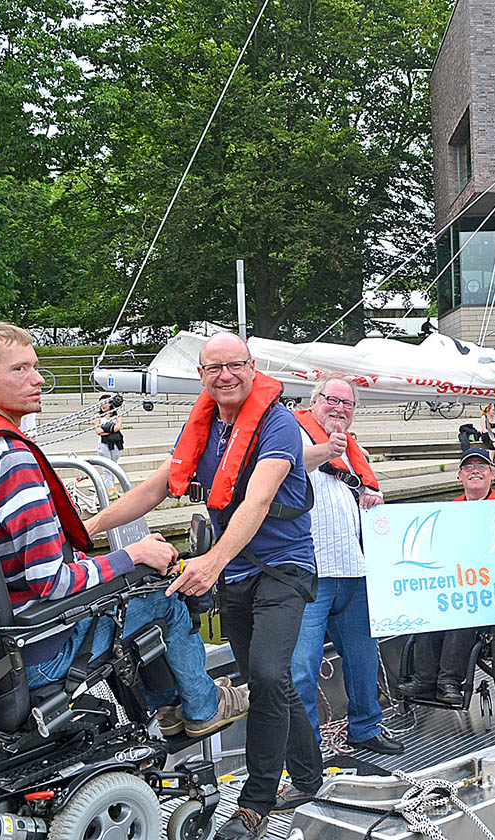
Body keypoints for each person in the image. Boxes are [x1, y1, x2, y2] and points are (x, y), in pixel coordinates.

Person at [0, 322, 243, 743]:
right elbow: (50, 582)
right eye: (21, 369)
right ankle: (202, 708)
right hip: (41, 648)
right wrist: (133, 555)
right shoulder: (13, 461)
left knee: (130, 588)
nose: (38, 379)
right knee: (161, 595)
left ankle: (168, 710)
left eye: (36, 367)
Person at [82, 332, 321, 840]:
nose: (226, 376)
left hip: (283, 569)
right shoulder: (206, 426)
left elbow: (256, 501)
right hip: (237, 573)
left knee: (266, 673)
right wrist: (88, 530)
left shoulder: (278, 424)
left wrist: (211, 560)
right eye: (214, 368)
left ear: (252, 367)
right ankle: (309, 775)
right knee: (268, 680)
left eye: (235, 365)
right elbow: (154, 487)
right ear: (201, 376)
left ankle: (255, 804)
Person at [286, 376, 404, 782]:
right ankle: (308, 748)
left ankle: (365, 728)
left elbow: (367, 496)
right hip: (311, 571)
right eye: (332, 400)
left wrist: (373, 496)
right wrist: (325, 450)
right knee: (302, 665)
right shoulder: (292, 429)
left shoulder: (353, 448)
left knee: (362, 656)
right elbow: (287, 465)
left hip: (354, 568)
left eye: (348, 404)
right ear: (314, 401)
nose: (339, 409)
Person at [398, 448, 495, 705]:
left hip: (494, 586)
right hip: (460, 579)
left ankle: (449, 680)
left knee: (467, 609)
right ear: (460, 476)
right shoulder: (451, 510)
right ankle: (425, 677)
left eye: (481, 467)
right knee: (427, 606)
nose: (475, 471)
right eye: (469, 468)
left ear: (492, 474)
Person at [94, 394, 124, 492]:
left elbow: (117, 428)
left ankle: (112, 491)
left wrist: (105, 429)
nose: (103, 406)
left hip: (116, 444)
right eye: (101, 404)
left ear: (110, 403)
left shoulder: (117, 414)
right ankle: (111, 494)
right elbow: (98, 431)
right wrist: (111, 429)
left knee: (113, 468)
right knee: (106, 470)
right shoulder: (97, 416)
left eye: (105, 403)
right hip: (103, 444)